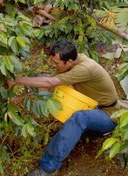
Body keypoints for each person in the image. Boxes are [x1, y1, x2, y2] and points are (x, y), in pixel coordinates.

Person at [7, 40, 118, 176]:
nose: (53, 66)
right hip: (89, 105)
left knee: (79, 118)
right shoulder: (71, 62)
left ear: (69, 62)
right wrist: (21, 98)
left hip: (108, 114)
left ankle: (48, 168)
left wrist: (16, 80)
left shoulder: (85, 68)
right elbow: (48, 82)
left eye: (56, 63)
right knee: (49, 81)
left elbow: (51, 82)